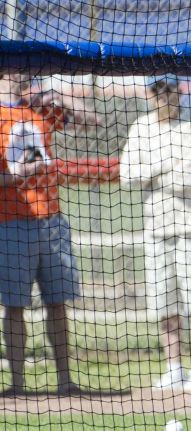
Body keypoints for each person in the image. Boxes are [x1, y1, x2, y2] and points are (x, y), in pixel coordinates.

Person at [120, 74, 191, 391]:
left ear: (179, 91)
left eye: (169, 90)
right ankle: (173, 368)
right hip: (157, 228)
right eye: (157, 91)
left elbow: (188, 178)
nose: (164, 96)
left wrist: (152, 171)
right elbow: (126, 174)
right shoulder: (141, 127)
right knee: (163, 302)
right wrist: (164, 166)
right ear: (149, 95)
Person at [0, 73, 83, 395]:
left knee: (58, 303)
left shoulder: (41, 108)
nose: (24, 76)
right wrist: (16, 175)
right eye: (18, 69)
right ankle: (17, 383)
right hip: (11, 220)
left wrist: (56, 96)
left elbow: (94, 120)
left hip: (52, 220)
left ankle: (65, 381)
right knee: (15, 305)